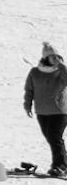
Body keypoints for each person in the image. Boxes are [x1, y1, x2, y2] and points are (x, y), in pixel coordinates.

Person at [23, 42, 67, 177]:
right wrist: (27, 103)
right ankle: (63, 163)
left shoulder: (61, 72)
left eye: (56, 56)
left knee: (55, 137)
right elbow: (29, 89)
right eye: (51, 56)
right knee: (52, 138)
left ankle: (60, 166)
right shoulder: (35, 72)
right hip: (42, 111)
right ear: (45, 58)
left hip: (60, 111)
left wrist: (61, 65)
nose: (54, 59)